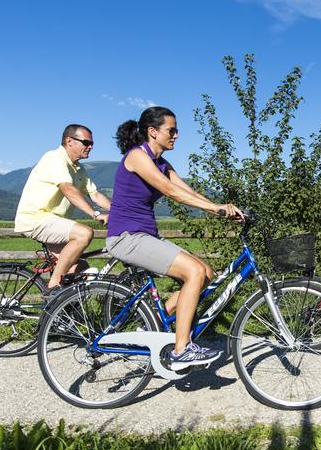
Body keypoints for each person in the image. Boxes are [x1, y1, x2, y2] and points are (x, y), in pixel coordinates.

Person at [105, 106, 242, 368]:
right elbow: (169, 191)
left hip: (144, 236)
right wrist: (215, 209)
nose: (177, 135)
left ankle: (153, 325)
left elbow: (186, 190)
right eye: (172, 130)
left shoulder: (162, 163)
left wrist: (222, 209)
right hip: (125, 237)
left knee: (206, 272)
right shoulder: (137, 157)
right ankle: (181, 349)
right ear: (152, 132)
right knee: (193, 272)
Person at [14, 124, 111, 294]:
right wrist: (95, 214)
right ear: (69, 141)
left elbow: (95, 195)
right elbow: (68, 189)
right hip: (37, 218)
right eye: (86, 142)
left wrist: (122, 210)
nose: (91, 147)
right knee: (84, 233)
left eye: (92, 143)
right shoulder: (54, 158)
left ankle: (61, 311)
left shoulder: (78, 169)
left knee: (81, 269)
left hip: (55, 222)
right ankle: (54, 284)